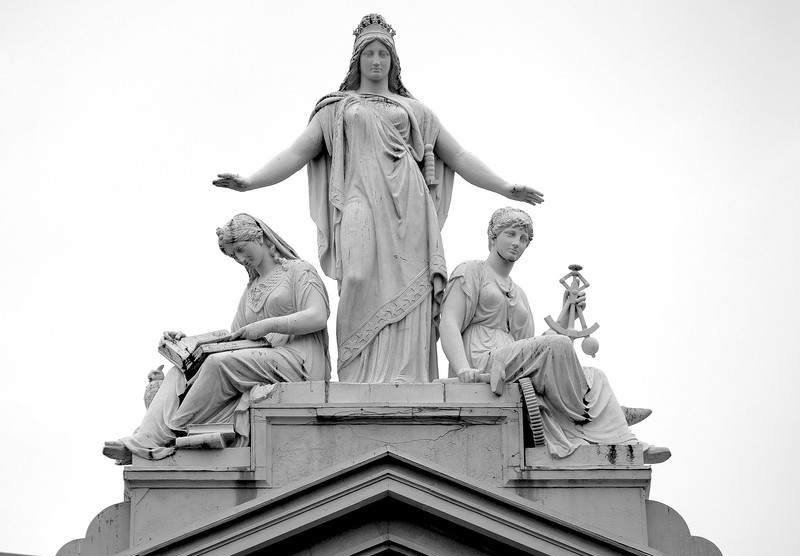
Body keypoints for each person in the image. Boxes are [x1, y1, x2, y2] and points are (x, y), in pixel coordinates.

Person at [213, 14, 543, 383]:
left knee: (410, 292)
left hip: (411, 207)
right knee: (355, 276)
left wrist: (504, 186)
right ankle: (357, 378)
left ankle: (408, 377)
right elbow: (297, 152)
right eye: (368, 53)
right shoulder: (336, 108)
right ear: (356, 60)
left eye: (382, 54)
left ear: (393, 61)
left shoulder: (415, 111)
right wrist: (250, 181)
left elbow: (460, 156)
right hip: (359, 201)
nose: (375, 61)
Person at [439, 207, 669, 463]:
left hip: (511, 358)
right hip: (484, 361)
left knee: (595, 375)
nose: (517, 243)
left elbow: (532, 348)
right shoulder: (471, 271)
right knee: (558, 345)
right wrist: (462, 369)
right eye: (511, 234)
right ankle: (591, 412)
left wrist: (566, 313)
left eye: (524, 239)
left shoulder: (519, 292)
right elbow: (449, 321)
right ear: (493, 237)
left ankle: (626, 442)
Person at [102, 214, 330, 464]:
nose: (241, 259)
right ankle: (145, 438)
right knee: (179, 372)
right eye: (234, 256)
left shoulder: (299, 270)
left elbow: (318, 316)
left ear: (261, 237)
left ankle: (169, 436)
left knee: (217, 365)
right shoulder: (251, 289)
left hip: (298, 360)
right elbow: (234, 340)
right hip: (264, 358)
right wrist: (190, 343)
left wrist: (263, 326)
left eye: (242, 249)